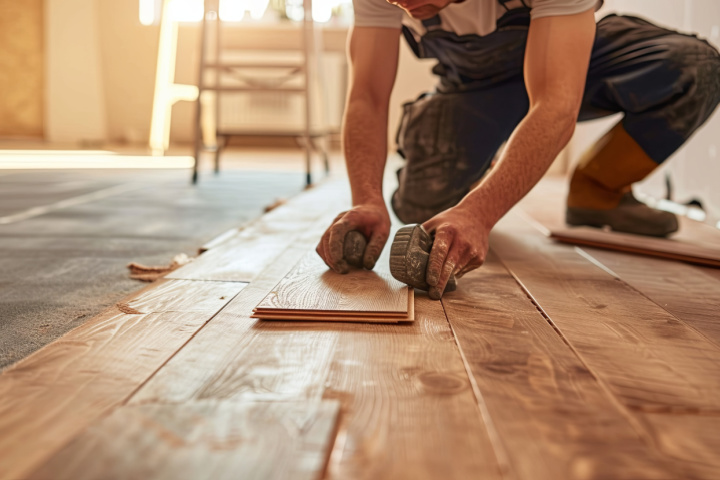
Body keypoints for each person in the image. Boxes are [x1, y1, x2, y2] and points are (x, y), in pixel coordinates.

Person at [315, 0, 720, 299]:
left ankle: (598, 190)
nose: (402, 4)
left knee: (695, 70)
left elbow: (556, 105)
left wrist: (479, 213)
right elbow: (366, 95)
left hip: (572, 59)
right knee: (422, 206)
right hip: (474, 88)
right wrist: (366, 198)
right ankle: (481, 163)